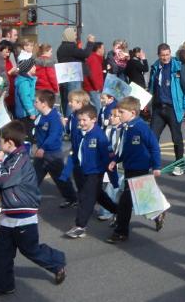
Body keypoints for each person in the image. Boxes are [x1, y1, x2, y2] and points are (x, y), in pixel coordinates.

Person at [0, 121, 66, 297]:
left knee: (30, 250)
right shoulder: (12, 158)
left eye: (0, 142)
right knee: (2, 252)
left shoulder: (21, 158)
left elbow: (5, 178)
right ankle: (3, 286)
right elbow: (4, 182)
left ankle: (57, 262)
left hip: (24, 214)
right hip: (10, 214)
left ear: (10, 142)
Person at [106, 97, 163, 243]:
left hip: (140, 169)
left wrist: (156, 166)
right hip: (129, 169)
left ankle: (121, 232)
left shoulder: (141, 127)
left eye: (121, 112)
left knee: (126, 202)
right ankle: (158, 214)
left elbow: (154, 147)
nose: (118, 115)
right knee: (142, 199)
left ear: (132, 112)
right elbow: (125, 150)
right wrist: (115, 160)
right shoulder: (127, 128)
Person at [64, 105, 118, 239]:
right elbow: (74, 153)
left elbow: (107, 159)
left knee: (85, 198)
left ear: (94, 120)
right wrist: (66, 172)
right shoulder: (78, 134)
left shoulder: (99, 136)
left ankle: (80, 226)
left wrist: (114, 179)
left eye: (84, 120)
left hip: (95, 172)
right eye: (79, 120)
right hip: (82, 171)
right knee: (98, 195)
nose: (81, 123)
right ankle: (119, 212)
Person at [148, 43, 185, 176]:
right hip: (158, 108)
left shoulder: (179, 67)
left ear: (170, 53)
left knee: (176, 138)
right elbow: (151, 87)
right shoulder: (155, 67)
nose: (165, 57)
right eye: (162, 55)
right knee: (152, 138)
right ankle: (154, 164)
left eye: (167, 54)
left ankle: (179, 165)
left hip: (173, 108)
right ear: (158, 55)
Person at [33, 90, 78, 208]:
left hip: (52, 154)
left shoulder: (54, 118)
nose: (34, 103)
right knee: (34, 177)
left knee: (61, 179)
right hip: (42, 153)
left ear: (44, 103)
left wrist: (42, 148)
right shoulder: (41, 115)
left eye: (36, 101)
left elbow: (53, 135)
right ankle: (29, 200)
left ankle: (72, 198)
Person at [56, 28, 94, 116]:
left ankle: (65, 118)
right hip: (72, 77)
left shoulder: (61, 48)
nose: (76, 37)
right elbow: (85, 54)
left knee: (66, 100)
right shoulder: (71, 46)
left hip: (64, 77)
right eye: (75, 35)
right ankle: (71, 119)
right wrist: (90, 43)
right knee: (74, 99)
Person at [14, 59, 37, 138]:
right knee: (28, 134)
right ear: (28, 69)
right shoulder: (24, 83)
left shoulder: (29, 80)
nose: (35, 67)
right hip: (25, 113)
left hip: (28, 112)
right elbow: (26, 99)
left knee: (30, 132)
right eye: (33, 66)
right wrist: (31, 112)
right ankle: (26, 147)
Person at [83, 42, 105, 112]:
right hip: (93, 88)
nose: (104, 50)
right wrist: (97, 87)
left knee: (93, 107)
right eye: (103, 48)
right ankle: (97, 122)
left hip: (93, 88)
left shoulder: (96, 58)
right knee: (97, 108)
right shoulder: (94, 59)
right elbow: (93, 75)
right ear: (98, 49)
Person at [0, 41, 18, 114]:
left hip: (11, 93)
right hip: (3, 94)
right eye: (6, 50)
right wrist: (10, 72)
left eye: (9, 51)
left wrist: (15, 72)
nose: (8, 53)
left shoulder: (8, 60)